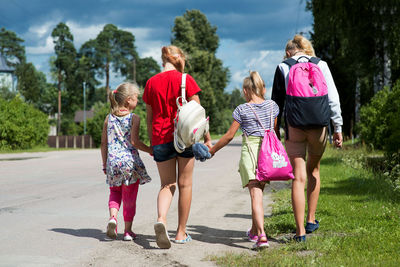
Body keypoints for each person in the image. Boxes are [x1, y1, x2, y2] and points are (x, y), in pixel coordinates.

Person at [271, 34, 343, 242]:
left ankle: (300, 232)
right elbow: (333, 99)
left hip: (295, 127)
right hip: (319, 126)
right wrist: (337, 127)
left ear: (288, 52)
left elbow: (277, 105)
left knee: (298, 176)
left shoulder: (283, 67)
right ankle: (311, 219)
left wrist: (275, 132)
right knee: (314, 170)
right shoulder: (322, 65)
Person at [143, 45, 212, 249]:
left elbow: (149, 118)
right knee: (185, 185)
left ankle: (162, 219)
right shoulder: (185, 79)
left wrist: (151, 143)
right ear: (178, 58)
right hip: (184, 138)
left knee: (167, 185)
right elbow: (198, 114)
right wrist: (207, 138)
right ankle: (181, 233)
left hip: (160, 138)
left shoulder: (150, 83)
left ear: (162, 60)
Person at [209, 71, 279, 250]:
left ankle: (262, 236)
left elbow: (229, 136)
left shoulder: (242, 109)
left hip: (251, 153)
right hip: (268, 154)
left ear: (246, 91)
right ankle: (255, 231)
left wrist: (213, 150)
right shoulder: (273, 106)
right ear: (261, 88)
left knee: (255, 195)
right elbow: (274, 132)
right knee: (259, 194)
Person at [100, 82, 152, 241]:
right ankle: (128, 231)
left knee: (115, 192)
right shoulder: (134, 118)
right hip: (129, 163)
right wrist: (150, 149)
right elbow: (135, 142)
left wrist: (104, 164)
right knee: (129, 197)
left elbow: (104, 144)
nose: (138, 100)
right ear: (129, 100)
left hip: (113, 162)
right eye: (136, 98)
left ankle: (113, 218)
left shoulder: (108, 118)